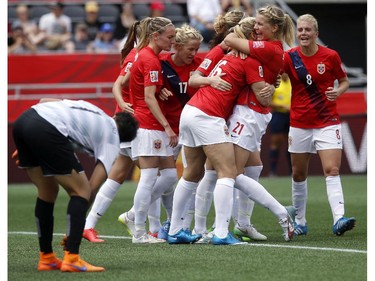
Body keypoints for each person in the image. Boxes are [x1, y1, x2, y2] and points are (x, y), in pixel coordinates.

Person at [12, 98, 138, 272]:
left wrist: (32, 142)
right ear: (124, 139)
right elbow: (92, 187)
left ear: (115, 116)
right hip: (45, 129)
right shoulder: (113, 138)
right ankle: (72, 258)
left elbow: (45, 100)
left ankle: (47, 258)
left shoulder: (93, 109)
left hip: (24, 122)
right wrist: (76, 229)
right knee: (82, 190)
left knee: (47, 191)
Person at [188, 10, 267, 244]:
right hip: (213, 114)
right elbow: (193, 79)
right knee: (214, 172)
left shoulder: (242, 55)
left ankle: (241, 223)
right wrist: (211, 80)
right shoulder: (220, 52)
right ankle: (204, 227)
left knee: (252, 166)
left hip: (231, 114)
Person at [283, 14, 355, 236]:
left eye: (307, 30)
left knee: (331, 170)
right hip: (299, 123)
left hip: (327, 121)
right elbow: (275, 75)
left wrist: (338, 91)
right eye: (300, 30)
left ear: (316, 34)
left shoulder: (330, 56)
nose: (303, 33)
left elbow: (344, 81)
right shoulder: (289, 57)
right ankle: (301, 221)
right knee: (298, 174)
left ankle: (338, 219)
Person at [121, 17, 179, 244]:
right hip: (147, 125)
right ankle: (139, 232)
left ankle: (133, 215)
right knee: (148, 177)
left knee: (169, 174)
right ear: (156, 36)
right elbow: (148, 97)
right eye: (170, 37)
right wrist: (167, 126)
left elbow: (125, 83)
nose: (173, 41)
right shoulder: (149, 59)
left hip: (147, 124)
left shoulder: (145, 55)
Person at [268, 73, 292, 177]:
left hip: (291, 115)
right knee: (275, 143)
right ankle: (273, 171)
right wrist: (281, 106)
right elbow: (268, 101)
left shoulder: (292, 82)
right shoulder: (276, 83)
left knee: (290, 144)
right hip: (278, 114)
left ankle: (292, 171)